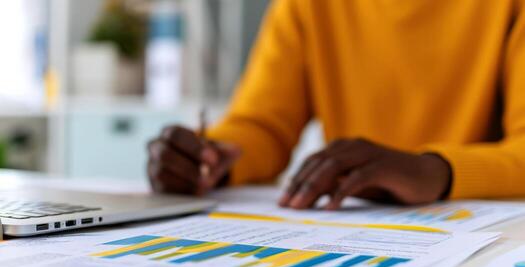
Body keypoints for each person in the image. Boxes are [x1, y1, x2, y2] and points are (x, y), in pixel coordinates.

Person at [148, 0, 525, 210]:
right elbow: (263, 125)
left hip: (482, 235)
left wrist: (435, 171)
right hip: (354, 224)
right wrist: (211, 158)